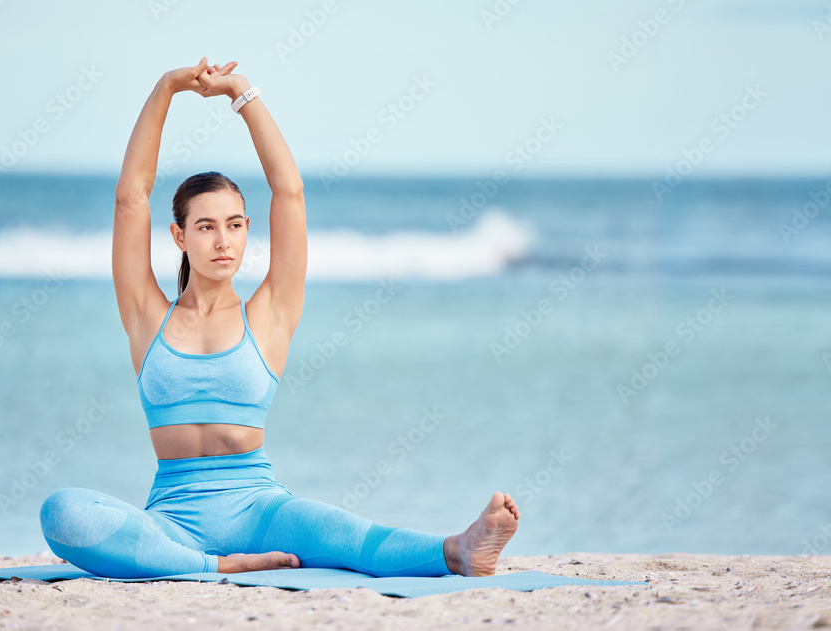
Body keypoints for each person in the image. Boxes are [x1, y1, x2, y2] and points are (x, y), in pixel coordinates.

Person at [38, 57, 520, 579]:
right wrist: (167, 88)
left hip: (263, 512)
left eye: (235, 224)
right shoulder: (145, 315)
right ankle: (216, 564)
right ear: (179, 236)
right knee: (61, 513)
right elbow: (130, 198)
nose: (223, 240)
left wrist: (241, 94)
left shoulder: (270, 312)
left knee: (347, 534)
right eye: (204, 227)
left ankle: (460, 550)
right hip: (172, 520)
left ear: (247, 230)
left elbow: (289, 191)